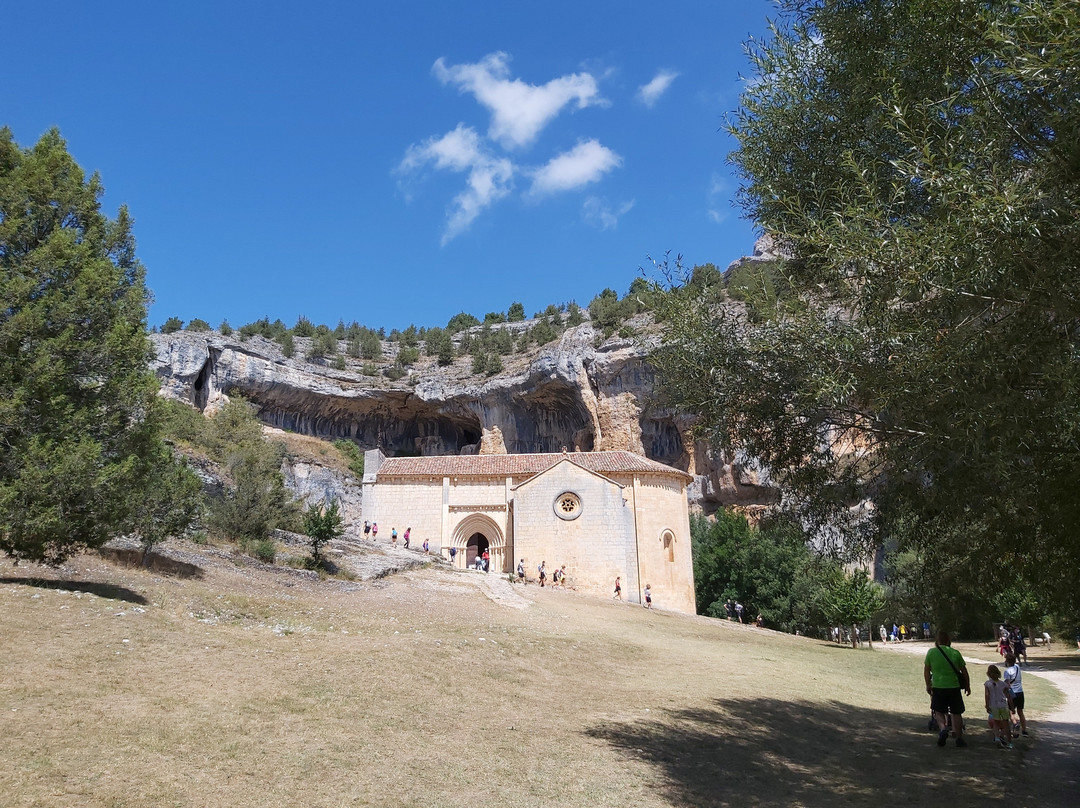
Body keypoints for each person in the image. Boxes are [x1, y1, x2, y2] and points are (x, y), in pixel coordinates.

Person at [924, 630, 971, 747]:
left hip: (938, 686)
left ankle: (943, 728)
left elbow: (926, 671)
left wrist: (928, 684)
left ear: (937, 640)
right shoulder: (955, 653)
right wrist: (967, 685)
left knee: (938, 711)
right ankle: (959, 737)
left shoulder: (931, 652)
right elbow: (964, 672)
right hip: (954, 686)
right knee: (956, 712)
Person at [985, 664, 1014, 748]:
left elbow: (987, 695)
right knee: (1006, 724)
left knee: (996, 723)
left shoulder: (987, 684)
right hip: (1003, 705)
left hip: (994, 705)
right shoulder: (1003, 684)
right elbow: (1008, 696)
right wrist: (1012, 707)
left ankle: (997, 738)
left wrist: (987, 705)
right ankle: (1010, 743)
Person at [1003, 653, 1028, 737]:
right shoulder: (1017, 667)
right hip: (1020, 692)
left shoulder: (1007, 671)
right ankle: (1024, 730)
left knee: (1010, 711)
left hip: (1012, 693)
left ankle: (1015, 724)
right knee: (1020, 711)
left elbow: (1007, 684)